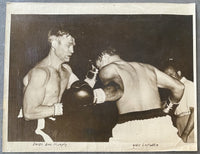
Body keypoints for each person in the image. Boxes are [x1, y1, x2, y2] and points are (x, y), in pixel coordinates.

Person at [92, 47, 185, 146]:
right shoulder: (148, 68)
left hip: (131, 127)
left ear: (103, 57)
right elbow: (179, 87)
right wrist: (167, 108)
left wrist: (93, 96)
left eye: (99, 67)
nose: (99, 70)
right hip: (161, 124)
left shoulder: (109, 68)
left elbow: (117, 90)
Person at [22, 26, 97, 142]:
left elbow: (82, 91)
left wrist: (93, 74)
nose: (72, 50)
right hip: (36, 127)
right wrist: (65, 108)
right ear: (54, 43)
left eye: (73, 46)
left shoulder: (66, 70)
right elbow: (29, 112)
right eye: (68, 45)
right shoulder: (41, 73)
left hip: (56, 126)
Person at [164, 65, 195, 143]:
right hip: (180, 123)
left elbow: (196, 112)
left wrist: (185, 133)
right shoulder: (174, 90)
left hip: (189, 124)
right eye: (167, 77)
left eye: (171, 75)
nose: (170, 79)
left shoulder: (189, 85)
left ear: (179, 73)